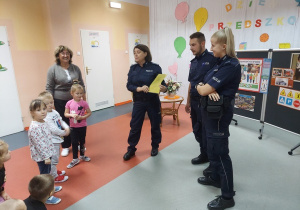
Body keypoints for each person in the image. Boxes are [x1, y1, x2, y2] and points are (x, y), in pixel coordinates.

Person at [196, 27, 241, 210]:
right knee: (212, 149)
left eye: (213, 45)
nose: (211, 48)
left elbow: (204, 88)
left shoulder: (231, 65)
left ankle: (227, 197)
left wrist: (207, 88)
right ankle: (215, 177)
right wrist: (204, 86)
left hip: (218, 115)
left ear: (224, 45)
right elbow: (202, 82)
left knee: (221, 153)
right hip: (209, 114)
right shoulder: (219, 62)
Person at [123, 44, 167, 161]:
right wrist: (139, 88)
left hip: (153, 101)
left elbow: (163, 84)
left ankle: (155, 146)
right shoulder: (133, 68)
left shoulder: (155, 67)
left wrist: (164, 88)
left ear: (145, 53)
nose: (136, 54)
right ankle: (131, 148)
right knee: (135, 126)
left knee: (155, 125)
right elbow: (129, 85)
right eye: (134, 52)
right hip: (139, 102)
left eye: (138, 52)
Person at [46, 45, 86, 157]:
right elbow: (49, 87)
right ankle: (65, 146)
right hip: (60, 101)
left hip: (75, 101)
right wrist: (50, 103)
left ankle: (76, 144)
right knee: (62, 123)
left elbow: (81, 84)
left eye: (67, 53)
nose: (65, 55)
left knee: (76, 123)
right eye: (62, 53)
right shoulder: (52, 69)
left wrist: (84, 99)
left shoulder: (75, 68)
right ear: (58, 55)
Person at [185, 32, 217, 165]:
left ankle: (211, 159)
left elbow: (217, 81)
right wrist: (187, 102)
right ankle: (204, 153)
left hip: (206, 102)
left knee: (207, 131)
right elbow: (191, 83)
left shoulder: (212, 59)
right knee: (196, 130)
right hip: (194, 101)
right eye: (190, 45)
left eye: (193, 45)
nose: (191, 48)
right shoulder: (193, 62)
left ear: (202, 43)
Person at [28, 99, 61, 205]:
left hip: (48, 153)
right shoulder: (34, 127)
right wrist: (46, 157)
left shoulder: (44, 121)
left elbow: (47, 137)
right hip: (42, 156)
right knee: (44, 175)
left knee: (49, 172)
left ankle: (50, 188)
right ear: (32, 112)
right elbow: (40, 144)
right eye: (38, 110)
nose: (43, 112)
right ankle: (46, 196)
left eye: (44, 109)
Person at [38, 91, 70, 183]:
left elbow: (60, 120)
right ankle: (54, 176)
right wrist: (64, 133)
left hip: (57, 139)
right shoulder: (46, 117)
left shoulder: (54, 112)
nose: (50, 105)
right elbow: (53, 129)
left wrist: (66, 127)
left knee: (55, 157)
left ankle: (54, 171)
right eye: (46, 104)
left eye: (51, 102)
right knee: (53, 159)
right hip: (52, 141)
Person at [64, 84, 92, 169]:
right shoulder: (69, 103)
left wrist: (82, 117)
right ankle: (75, 158)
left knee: (82, 141)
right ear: (72, 93)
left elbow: (89, 112)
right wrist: (71, 115)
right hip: (73, 127)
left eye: (81, 93)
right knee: (74, 142)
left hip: (82, 126)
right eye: (77, 93)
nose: (79, 95)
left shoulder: (84, 103)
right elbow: (65, 114)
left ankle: (82, 155)